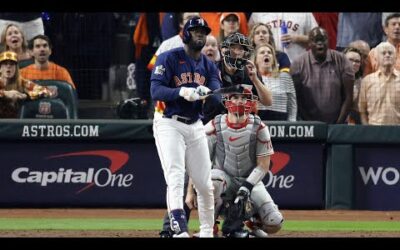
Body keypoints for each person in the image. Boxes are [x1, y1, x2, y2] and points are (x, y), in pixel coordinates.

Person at [150, 17, 221, 238]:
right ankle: (179, 230)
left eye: (203, 31)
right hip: (169, 122)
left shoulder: (209, 65)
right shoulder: (168, 57)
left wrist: (207, 93)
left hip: (195, 125)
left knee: (204, 183)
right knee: (175, 177)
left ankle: (207, 231)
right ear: (186, 34)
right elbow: (156, 91)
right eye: (196, 30)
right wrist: (182, 92)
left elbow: (216, 95)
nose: (200, 34)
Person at [201, 86, 283, 237]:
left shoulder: (259, 126)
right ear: (227, 102)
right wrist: (194, 188)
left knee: (274, 222)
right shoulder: (214, 124)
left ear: (250, 102)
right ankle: (209, 226)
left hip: (250, 180)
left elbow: (263, 166)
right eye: (235, 97)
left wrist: (246, 187)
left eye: (244, 98)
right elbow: (201, 161)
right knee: (213, 181)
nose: (239, 100)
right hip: (224, 178)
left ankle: (249, 223)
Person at [203, 32, 272, 124]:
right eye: (233, 48)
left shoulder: (249, 71)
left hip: (240, 125)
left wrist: (255, 79)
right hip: (212, 124)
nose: (236, 52)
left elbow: (268, 102)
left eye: (240, 49)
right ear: (223, 50)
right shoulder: (211, 70)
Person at [290, 27, 354, 124]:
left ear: (328, 41)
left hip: (338, 124)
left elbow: (348, 96)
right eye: (316, 40)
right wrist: (304, 123)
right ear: (309, 43)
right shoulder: (298, 63)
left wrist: (338, 124)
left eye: (323, 39)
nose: (320, 43)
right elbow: (294, 98)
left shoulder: (342, 60)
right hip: (307, 125)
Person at [0, 51, 54, 118]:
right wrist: (5, 94)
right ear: (0, 68)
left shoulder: (22, 82)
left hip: (16, 122)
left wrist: (26, 96)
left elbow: (47, 91)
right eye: (5, 64)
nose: (8, 66)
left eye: (12, 64)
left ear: (16, 68)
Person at [359, 42, 400, 125]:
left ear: (395, 58)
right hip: (374, 130)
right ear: (376, 58)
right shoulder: (367, 81)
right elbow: (362, 110)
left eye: (390, 53)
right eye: (383, 53)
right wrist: (367, 129)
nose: (387, 55)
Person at [253, 43, 297, 121]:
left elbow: (292, 104)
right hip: (258, 122)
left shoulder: (285, 77)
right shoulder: (251, 78)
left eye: (269, 53)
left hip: (281, 122)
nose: (266, 54)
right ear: (256, 60)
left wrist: (291, 124)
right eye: (262, 52)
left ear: (273, 60)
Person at [343, 47, 363, 125]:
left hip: (355, 122)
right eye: (350, 60)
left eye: (357, 61)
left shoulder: (363, 83)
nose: (354, 64)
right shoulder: (333, 80)